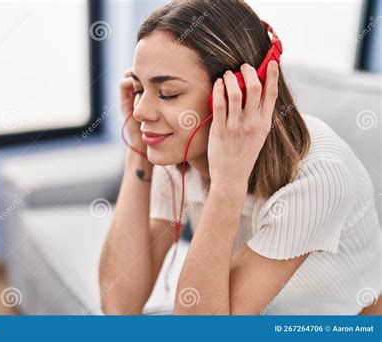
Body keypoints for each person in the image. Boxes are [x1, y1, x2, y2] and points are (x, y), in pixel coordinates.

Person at [99, 0, 381, 315]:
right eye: (139, 89)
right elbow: (119, 305)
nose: (140, 111)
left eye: (168, 94)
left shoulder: (319, 177)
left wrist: (227, 181)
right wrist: (139, 153)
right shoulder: (180, 147)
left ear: (241, 94)